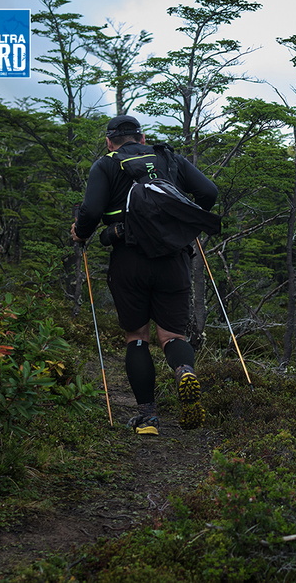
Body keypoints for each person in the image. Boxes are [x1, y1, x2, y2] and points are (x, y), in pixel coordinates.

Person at [71, 115, 219, 435]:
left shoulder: (106, 164)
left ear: (109, 142)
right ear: (142, 138)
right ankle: (184, 370)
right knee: (172, 336)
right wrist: (183, 222)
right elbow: (209, 191)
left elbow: (92, 211)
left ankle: (148, 419)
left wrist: (80, 233)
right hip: (173, 258)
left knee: (137, 337)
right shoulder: (169, 158)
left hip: (129, 259)